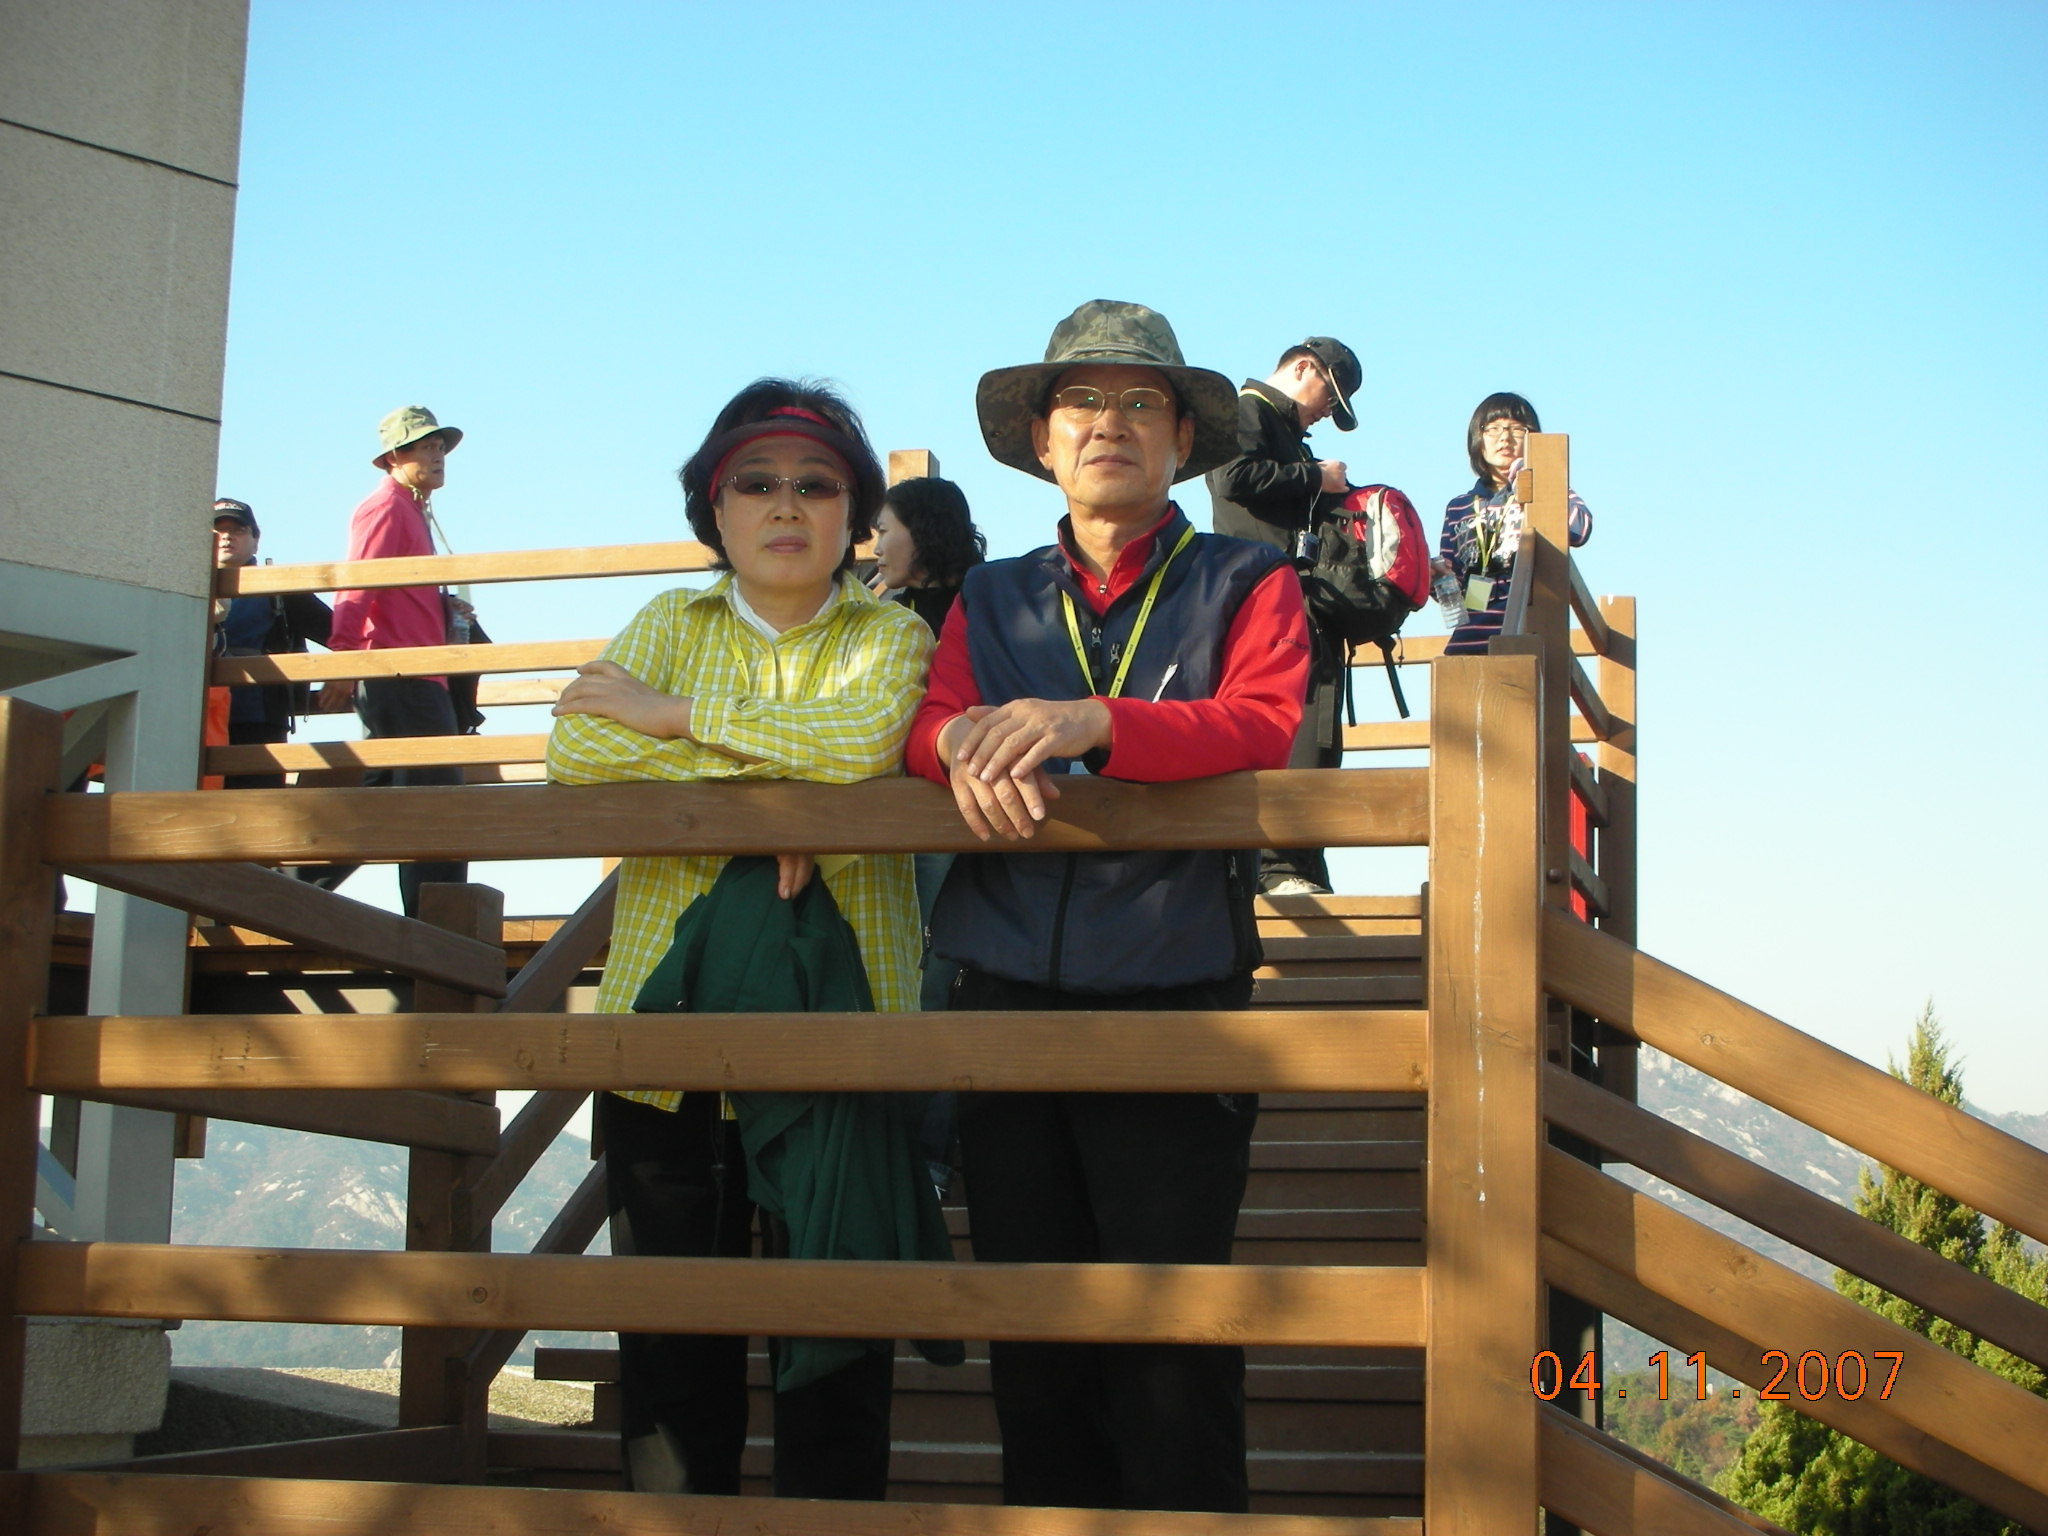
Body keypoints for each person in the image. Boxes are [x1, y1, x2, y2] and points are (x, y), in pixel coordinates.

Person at [907, 300, 1311, 1513]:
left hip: (1173, 984)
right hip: (1001, 995)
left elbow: (1262, 722)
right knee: (1032, 1339)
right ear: (1042, 442)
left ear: (1182, 441)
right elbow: (927, 723)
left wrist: (1094, 721)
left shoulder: (1247, 575)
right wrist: (954, 744)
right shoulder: (988, 593)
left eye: (1142, 403)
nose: (1108, 423)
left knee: (1172, 1342)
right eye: (1079, 401)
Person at [546, 379, 940, 1501]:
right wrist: (780, 799)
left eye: (816, 484)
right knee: (673, 1355)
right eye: (754, 483)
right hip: (663, 1044)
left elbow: (862, 739)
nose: (785, 504)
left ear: (853, 514)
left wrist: (670, 719)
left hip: (845, 1040)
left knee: (838, 1351)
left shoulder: (892, 632)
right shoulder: (667, 623)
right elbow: (576, 754)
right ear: (713, 510)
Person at [1207, 337, 1364, 896]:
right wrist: (1315, 478)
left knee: (1316, 730)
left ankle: (1299, 863)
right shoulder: (1247, 410)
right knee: (1291, 724)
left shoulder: (1281, 429)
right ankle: (1277, 867)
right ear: (1302, 368)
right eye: (1330, 397)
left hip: (1296, 599)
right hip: (1265, 599)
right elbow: (1231, 477)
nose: (1326, 411)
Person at [318, 406, 472, 914]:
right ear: (393, 457)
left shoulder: (412, 509)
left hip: (413, 674)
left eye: (440, 446)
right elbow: (357, 583)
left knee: (384, 799)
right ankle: (439, 927)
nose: (437, 455)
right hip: (402, 675)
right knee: (437, 804)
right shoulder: (386, 505)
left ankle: (280, 888)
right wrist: (342, 659)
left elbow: (390, 591)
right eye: (424, 446)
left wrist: (443, 607)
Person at [1436, 391, 1592, 654]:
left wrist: (1533, 483)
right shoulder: (1458, 507)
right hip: (1470, 637)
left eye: (1517, 429)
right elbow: (1454, 584)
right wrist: (1436, 577)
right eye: (1493, 428)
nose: (1504, 438)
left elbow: (1580, 530)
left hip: (1529, 629)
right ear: (1477, 437)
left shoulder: (1548, 488)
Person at [209, 498, 332, 790]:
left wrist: (345, 677)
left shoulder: (279, 588)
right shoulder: (185, 587)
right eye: (218, 530)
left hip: (259, 722)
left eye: (237, 530)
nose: (226, 537)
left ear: (256, 540)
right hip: (196, 721)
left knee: (260, 808)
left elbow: (342, 634)